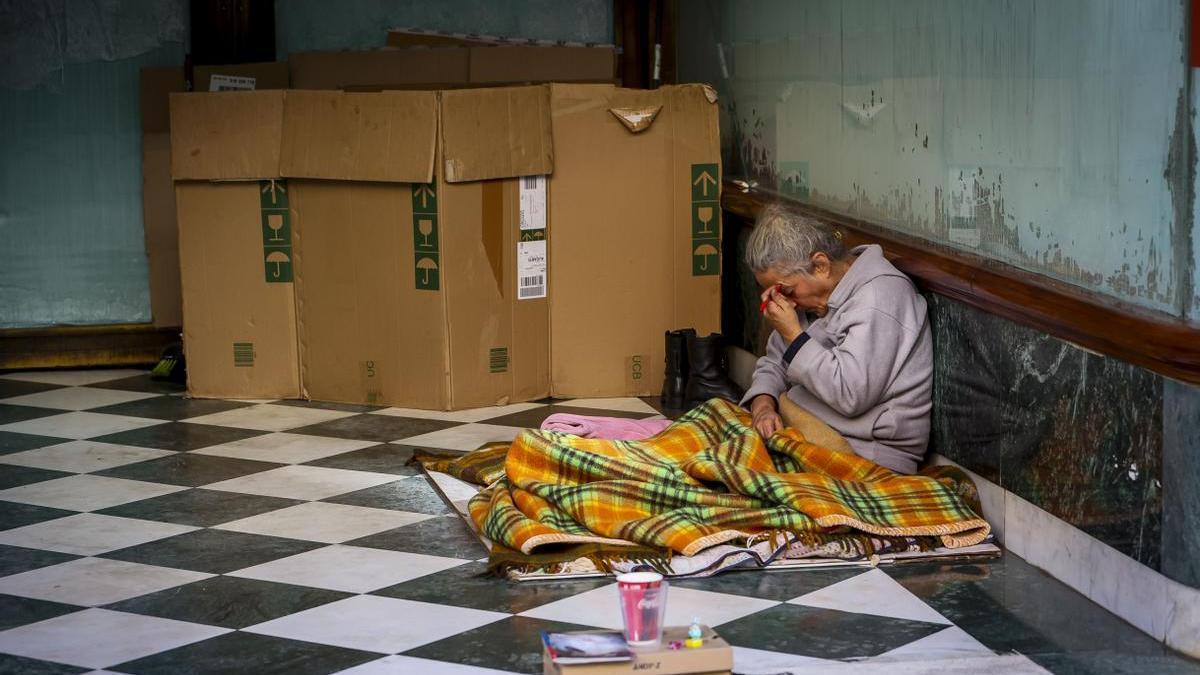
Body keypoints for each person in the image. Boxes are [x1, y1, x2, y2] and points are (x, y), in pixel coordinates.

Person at [740, 205, 933, 474]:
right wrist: (763, 406)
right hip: (808, 430)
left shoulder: (880, 298)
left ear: (820, 265)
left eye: (788, 291)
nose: (785, 302)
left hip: (865, 453)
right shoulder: (815, 298)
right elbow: (774, 362)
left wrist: (794, 337)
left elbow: (851, 394)